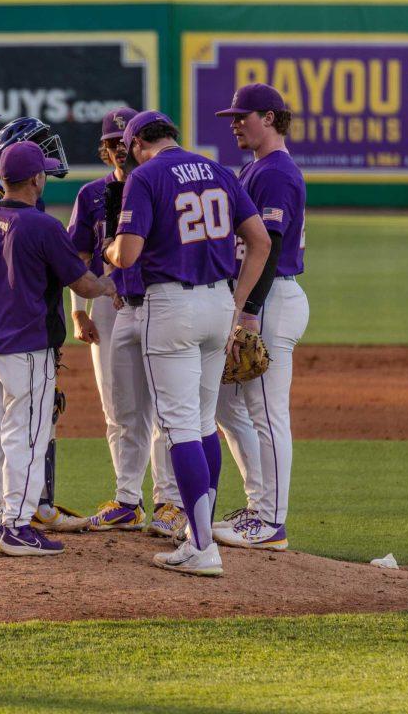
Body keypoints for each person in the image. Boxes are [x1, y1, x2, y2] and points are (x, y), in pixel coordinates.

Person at [104, 111, 271, 576]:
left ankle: (201, 546)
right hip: (219, 303)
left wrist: (109, 251)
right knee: (201, 423)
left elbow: (129, 253)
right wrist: (238, 303)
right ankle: (200, 534)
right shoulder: (217, 169)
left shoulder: (146, 175)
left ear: (139, 145)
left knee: (178, 426)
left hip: (170, 306)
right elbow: (259, 241)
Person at [0, 142, 116, 557]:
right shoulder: (42, 226)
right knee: (26, 440)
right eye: (43, 172)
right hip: (26, 351)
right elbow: (81, 282)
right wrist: (109, 282)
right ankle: (17, 527)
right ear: (35, 180)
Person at [0, 116, 90, 535]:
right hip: (2, 327)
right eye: (40, 151)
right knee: (14, 428)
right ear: (32, 174)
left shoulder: (17, 205)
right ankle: (12, 522)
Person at [68, 108, 188, 539]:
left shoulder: (159, 185)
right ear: (104, 150)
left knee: (163, 408)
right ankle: (126, 501)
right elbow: (77, 257)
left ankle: (170, 501)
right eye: (112, 143)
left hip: (156, 300)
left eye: (125, 141)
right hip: (105, 305)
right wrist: (78, 309)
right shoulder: (91, 195)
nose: (119, 149)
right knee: (119, 407)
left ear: (138, 144)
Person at [212, 84, 309, 552]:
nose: (234, 123)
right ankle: (258, 505)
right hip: (255, 298)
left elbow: (266, 250)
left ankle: (272, 521)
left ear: (269, 118)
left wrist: (247, 312)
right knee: (227, 407)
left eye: (242, 115)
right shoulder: (256, 168)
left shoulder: (275, 174)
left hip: (269, 300)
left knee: (268, 413)